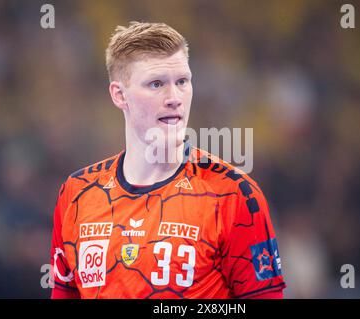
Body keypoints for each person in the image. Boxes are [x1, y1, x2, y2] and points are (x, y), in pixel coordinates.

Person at [50, 21, 286, 299]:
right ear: (119, 94)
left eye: (182, 82)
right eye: (156, 84)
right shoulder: (77, 193)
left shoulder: (234, 195)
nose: (174, 98)